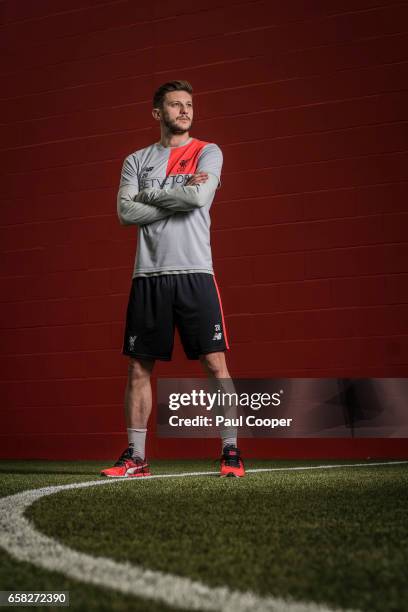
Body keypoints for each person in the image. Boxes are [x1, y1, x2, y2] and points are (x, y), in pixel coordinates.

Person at [101, 80, 244, 478]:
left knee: (216, 364)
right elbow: (125, 214)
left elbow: (198, 200)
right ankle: (136, 456)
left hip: (196, 271)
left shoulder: (207, 152)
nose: (184, 111)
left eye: (189, 105)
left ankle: (231, 451)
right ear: (157, 113)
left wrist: (148, 197)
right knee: (139, 368)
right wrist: (176, 195)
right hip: (148, 274)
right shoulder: (136, 160)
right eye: (175, 105)